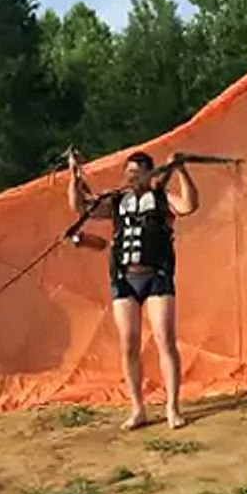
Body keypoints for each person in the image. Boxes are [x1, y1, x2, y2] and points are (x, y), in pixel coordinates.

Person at [67, 150, 199, 430]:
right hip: (125, 280)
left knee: (165, 340)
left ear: (150, 174)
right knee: (129, 343)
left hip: (157, 278)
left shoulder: (163, 199)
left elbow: (189, 205)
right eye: (128, 172)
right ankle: (137, 409)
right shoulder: (116, 201)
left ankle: (173, 407)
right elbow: (80, 206)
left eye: (137, 172)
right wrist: (74, 175)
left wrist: (182, 171)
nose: (132, 177)